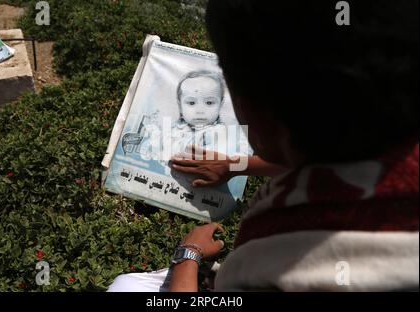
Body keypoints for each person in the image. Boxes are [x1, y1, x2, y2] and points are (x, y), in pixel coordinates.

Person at [108, 0, 418, 292]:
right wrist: (234, 166)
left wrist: (187, 256)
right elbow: (311, 152)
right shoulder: (384, 133)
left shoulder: (272, 265)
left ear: (256, 119)